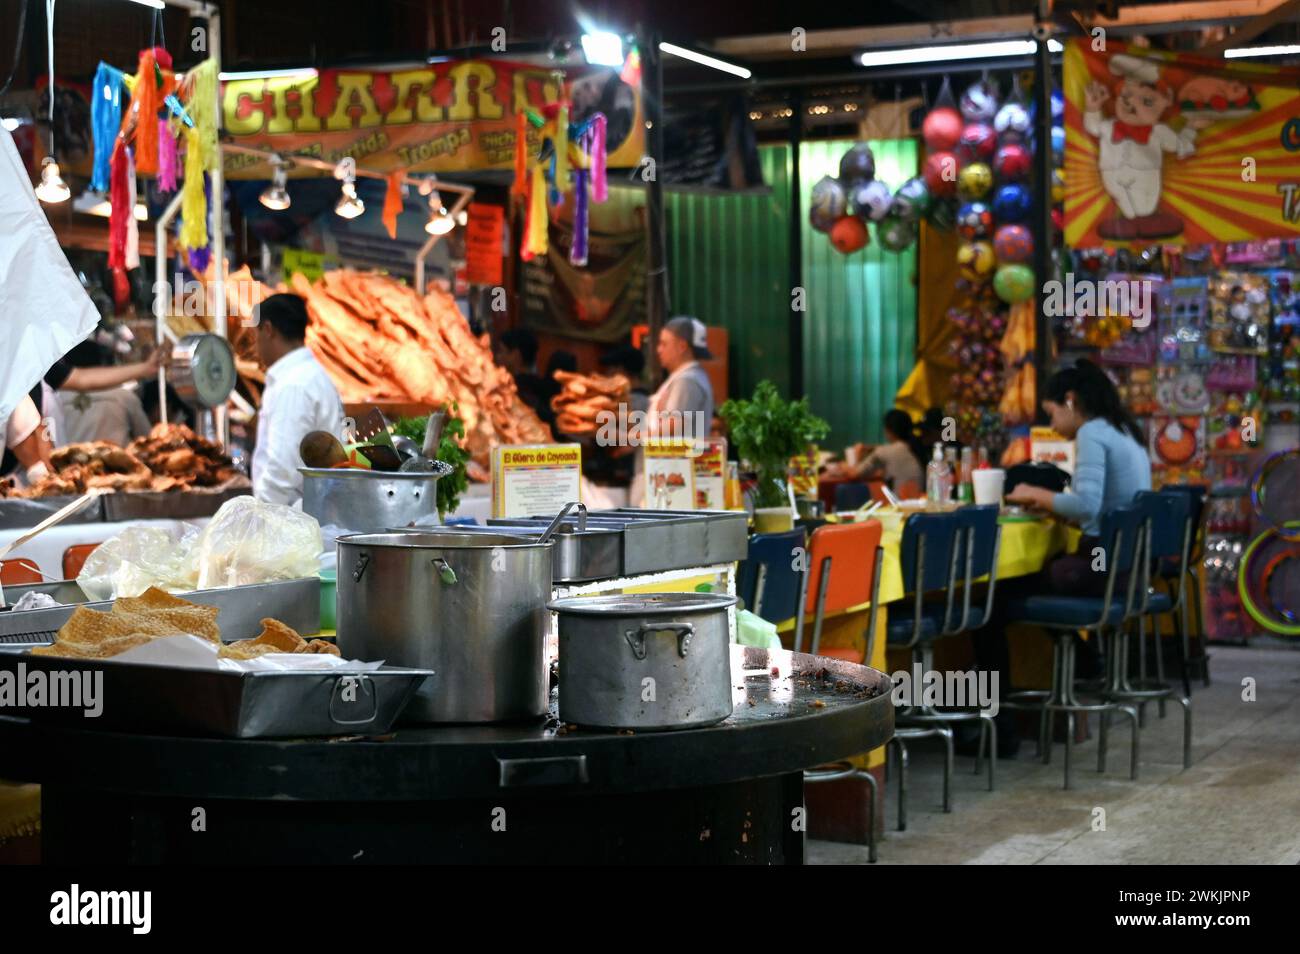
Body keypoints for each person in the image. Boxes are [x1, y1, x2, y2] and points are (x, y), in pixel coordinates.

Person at [969, 358, 1152, 757]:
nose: (1051, 424)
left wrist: (1035, 495)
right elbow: (1102, 509)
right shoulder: (1125, 432)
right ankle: (1087, 658)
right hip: (1128, 568)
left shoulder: (1091, 434)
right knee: (1020, 589)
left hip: (1100, 569)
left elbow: (1086, 504)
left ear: (1070, 400)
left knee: (989, 604)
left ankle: (999, 730)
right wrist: (1054, 509)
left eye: (1052, 412)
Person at [251, 293, 345, 507]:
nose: (255, 347)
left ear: (267, 330)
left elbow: (283, 469)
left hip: (289, 520)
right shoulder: (310, 376)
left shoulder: (294, 385)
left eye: (254, 336)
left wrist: (261, 515)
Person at [649, 316, 714, 439]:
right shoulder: (683, 377)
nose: (658, 350)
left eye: (664, 344)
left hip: (676, 458)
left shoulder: (687, 381)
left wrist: (629, 438)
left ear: (682, 347)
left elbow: (674, 428)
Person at [841, 409, 925, 490]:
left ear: (888, 430)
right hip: (918, 501)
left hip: (898, 502)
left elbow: (854, 475)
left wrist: (856, 457)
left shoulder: (884, 452)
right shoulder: (917, 446)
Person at [599, 343, 649, 414]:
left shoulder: (631, 404)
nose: (607, 373)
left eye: (610, 368)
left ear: (621, 370)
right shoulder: (646, 400)